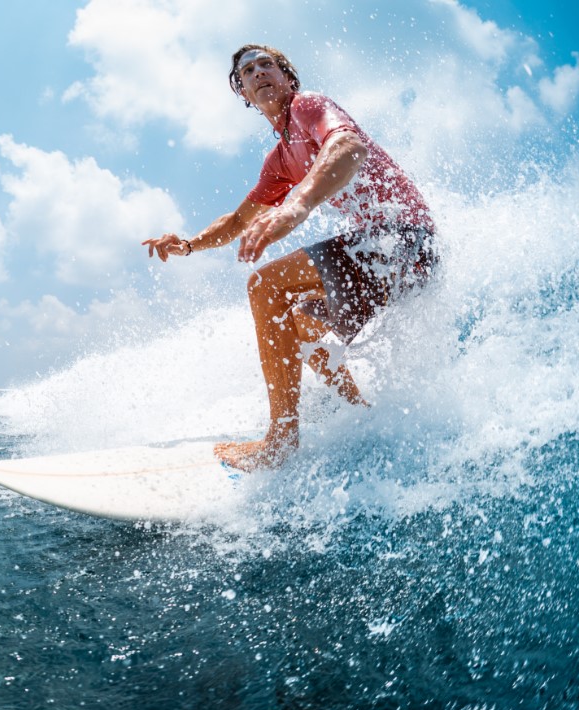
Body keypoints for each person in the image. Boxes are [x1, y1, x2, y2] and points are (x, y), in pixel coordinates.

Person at [143, 44, 437, 471]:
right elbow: (237, 222)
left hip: (405, 239)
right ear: (242, 91)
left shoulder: (309, 107)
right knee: (296, 325)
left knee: (265, 285)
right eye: (248, 70)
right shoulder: (280, 160)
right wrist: (188, 244)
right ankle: (360, 413)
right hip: (395, 256)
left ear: (288, 78)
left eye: (268, 65)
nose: (258, 72)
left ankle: (281, 441)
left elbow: (348, 146)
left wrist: (297, 205)